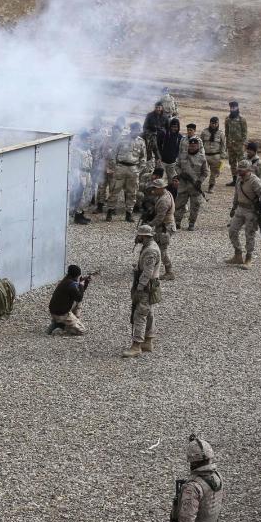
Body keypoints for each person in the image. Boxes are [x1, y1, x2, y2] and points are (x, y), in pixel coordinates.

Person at [123, 225, 161, 358]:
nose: (137, 237)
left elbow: (148, 272)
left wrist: (139, 287)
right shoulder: (150, 246)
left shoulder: (150, 251)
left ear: (144, 236)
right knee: (149, 312)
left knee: (140, 314)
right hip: (149, 285)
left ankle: (136, 345)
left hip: (146, 286)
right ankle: (148, 341)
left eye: (139, 235)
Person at [226, 160, 261, 269]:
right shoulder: (239, 179)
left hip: (251, 211)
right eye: (239, 168)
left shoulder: (255, 181)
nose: (239, 171)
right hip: (240, 209)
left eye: (242, 169)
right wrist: (234, 207)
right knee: (232, 230)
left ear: (249, 170)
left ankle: (248, 258)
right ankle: (238, 254)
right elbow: (236, 194)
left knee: (249, 234)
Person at [106, 122, 147, 223]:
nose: (138, 131)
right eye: (136, 129)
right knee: (114, 190)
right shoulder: (121, 139)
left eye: (139, 129)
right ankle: (110, 212)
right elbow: (113, 154)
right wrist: (114, 167)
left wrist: (138, 170)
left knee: (132, 193)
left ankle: (129, 213)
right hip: (120, 167)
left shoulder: (141, 142)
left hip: (133, 169)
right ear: (131, 129)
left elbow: (143, 158)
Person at [175, 137, 208, 232]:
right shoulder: (182, 155)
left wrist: (200, 181)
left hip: (195, 187)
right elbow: (176, 166)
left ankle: (191, 223)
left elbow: (205, 172)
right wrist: (180, 173)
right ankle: (177, 222)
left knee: (195, 206)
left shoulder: (202, 157)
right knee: (179, 204)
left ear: (198, 146)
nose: (192, 147)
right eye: (191, 145)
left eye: (194, 146)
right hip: (183, 185)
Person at [47, 265, 91, 335]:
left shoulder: (67, 280)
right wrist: (82, 285)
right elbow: (79, 297)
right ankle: (60, 329)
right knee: (81, 330)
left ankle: (62, 323)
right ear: (77, 275)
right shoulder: (71, 285)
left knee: (78, 303)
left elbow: (78, 295)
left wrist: (85, 284)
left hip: (56, 311)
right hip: (61, 313)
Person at [147, 178, 176, 280]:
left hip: (165, 228)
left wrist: (149, 225)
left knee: (162, 250)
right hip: (165, 226)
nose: (153, 190)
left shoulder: (164, 200)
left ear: (161, 188)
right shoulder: (165, 194)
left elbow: (160, 218)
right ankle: (150, 266)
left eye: (155, 188)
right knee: (155, 246)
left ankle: (169, 272)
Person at [224, 101, 247, 187]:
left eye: (234, 107)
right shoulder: (227, 119)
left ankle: (243, 180)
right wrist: (227, 144)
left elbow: (245, 133)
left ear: (237, 108)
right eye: (231, 108)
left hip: (239, 145)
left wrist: (243, 145)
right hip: (230, 146)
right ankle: (234, 180)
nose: (232, 109)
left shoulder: (242, 119)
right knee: (232, 163)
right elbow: (226, 132)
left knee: (241, 163)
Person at [201, 116, 227, 193]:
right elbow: (201, 143)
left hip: (216, 156)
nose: (214, 125)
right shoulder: (204, 132)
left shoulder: (221, 133)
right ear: (210, 123)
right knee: (202, 171)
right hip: (205, 155)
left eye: (215, 123)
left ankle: (211, 187)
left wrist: (222, 156)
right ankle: (198, 184)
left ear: (218, 124)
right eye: (212, 123)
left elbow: (223, 145)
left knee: (214, 173)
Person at [71, 136, 93, 224]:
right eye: (87, 140)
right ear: (82, 140)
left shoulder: (88, 150)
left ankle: (82, 214)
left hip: (88, 174)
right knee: (81, 196)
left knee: (88, 195)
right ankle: (77, 216)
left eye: (89, 140)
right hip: (81, 174)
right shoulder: (77, 151)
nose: (89, 142)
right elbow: (74, 166)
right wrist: (77, 179)